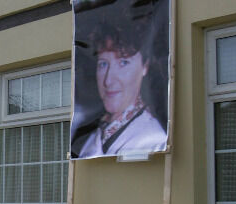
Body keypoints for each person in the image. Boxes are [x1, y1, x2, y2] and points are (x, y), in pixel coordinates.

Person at [71, 0, 168, 158]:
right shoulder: (93, 136)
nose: (108, 81)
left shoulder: (154, 139)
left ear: (145, 66)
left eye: (123, 62)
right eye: (103, 64)